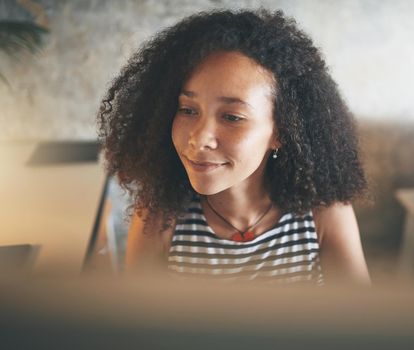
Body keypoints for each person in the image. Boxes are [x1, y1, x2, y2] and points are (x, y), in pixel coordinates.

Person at [97, 9, 370, 286]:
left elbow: (360, 320)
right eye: (188, 110)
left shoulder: (323, 213)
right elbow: (142, 324)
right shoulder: (159, 217)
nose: (199, 138)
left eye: (232, 117)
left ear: (282, 132)